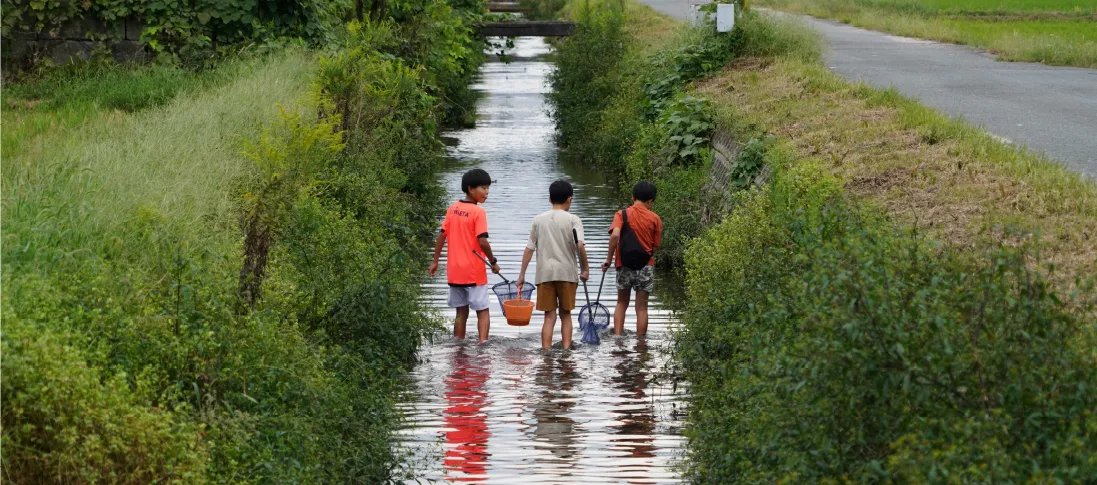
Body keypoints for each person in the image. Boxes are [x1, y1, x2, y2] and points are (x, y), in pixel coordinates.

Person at [516, 180, 590, 350]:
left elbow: (529, 249)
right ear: (570, 199)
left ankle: (546, 351)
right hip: (567, 274)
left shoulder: (538, 219)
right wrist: (585, 269)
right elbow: (579, 245)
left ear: (549, 199)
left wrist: (522, 275)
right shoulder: (573, 219)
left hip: (545, 275)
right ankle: (566, 350)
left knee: (549, 316)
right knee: (566, 314)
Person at [429, 169, 500, 343]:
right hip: (474, 271)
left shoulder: (453, 208)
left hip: (454, 271)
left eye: (488, 188)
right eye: (483, 188)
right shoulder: (478, 212)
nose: (487, 192)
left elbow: (441, 235)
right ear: (470, 189)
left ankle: (458, 344)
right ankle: (483, 344)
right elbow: (482, 241)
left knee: (461, 312)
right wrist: (493, 261)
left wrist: (435, 261)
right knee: (483, 310)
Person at [602, 180, 662, 337]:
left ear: (632, 197)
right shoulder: (655, 219)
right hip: (645, 266)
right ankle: (641, 343)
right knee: (642, 308)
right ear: (650, 201)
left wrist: (608, 259)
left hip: (624, 265)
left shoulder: (621, 214)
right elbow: (655, 247)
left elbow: (615, 234)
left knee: (621, 303)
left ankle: (617, 338)